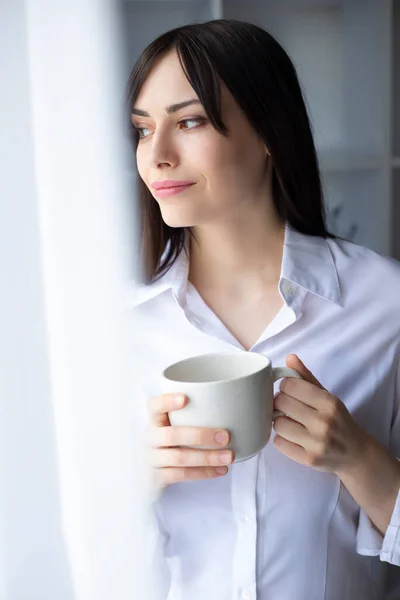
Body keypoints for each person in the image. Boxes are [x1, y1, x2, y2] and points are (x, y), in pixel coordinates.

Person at [127, 19, 400, 600]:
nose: (157, 156)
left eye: (190, 121)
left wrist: (361, 457)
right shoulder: (112, 328)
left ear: (270, 130)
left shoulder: (386, 305)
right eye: (143, 130)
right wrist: (127, 482)